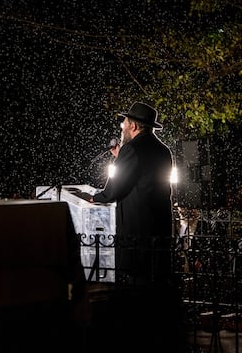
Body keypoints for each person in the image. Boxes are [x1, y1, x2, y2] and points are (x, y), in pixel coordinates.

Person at [88, 102, 187, 353]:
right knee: (156, 278)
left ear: (132, 125)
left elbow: (116, 188)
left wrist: (97, 197)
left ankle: (139, 334)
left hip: (137, 226)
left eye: (124, 122)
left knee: (138, 280)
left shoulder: (132, 149)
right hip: (159, 224)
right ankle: (159, 329)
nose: (121, 126)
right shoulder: (163, 150)